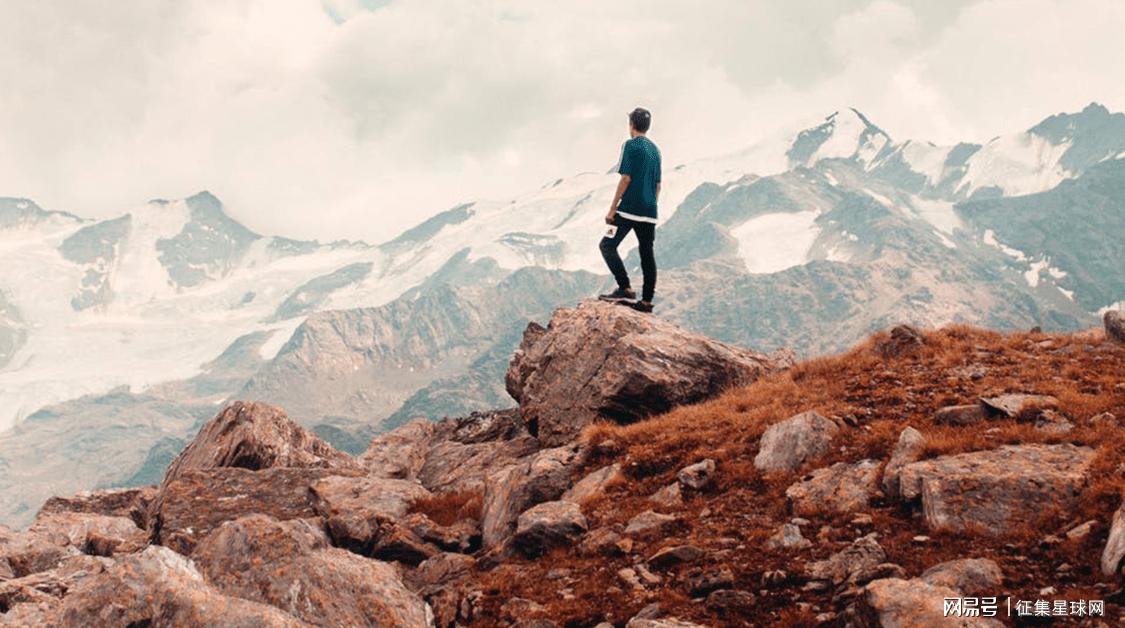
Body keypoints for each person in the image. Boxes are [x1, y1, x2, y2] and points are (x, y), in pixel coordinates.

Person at [598, 107, 661, 313]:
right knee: (647, 254)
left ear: (631, 125)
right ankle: (647, 301)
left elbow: (626, 178)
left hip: (627, 210)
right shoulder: (655, 150)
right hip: (650, 211)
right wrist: (650, 205)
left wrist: (612, 209)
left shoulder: (631, 146)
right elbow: (658, 185)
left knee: (607, 245)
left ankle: (625, 288)